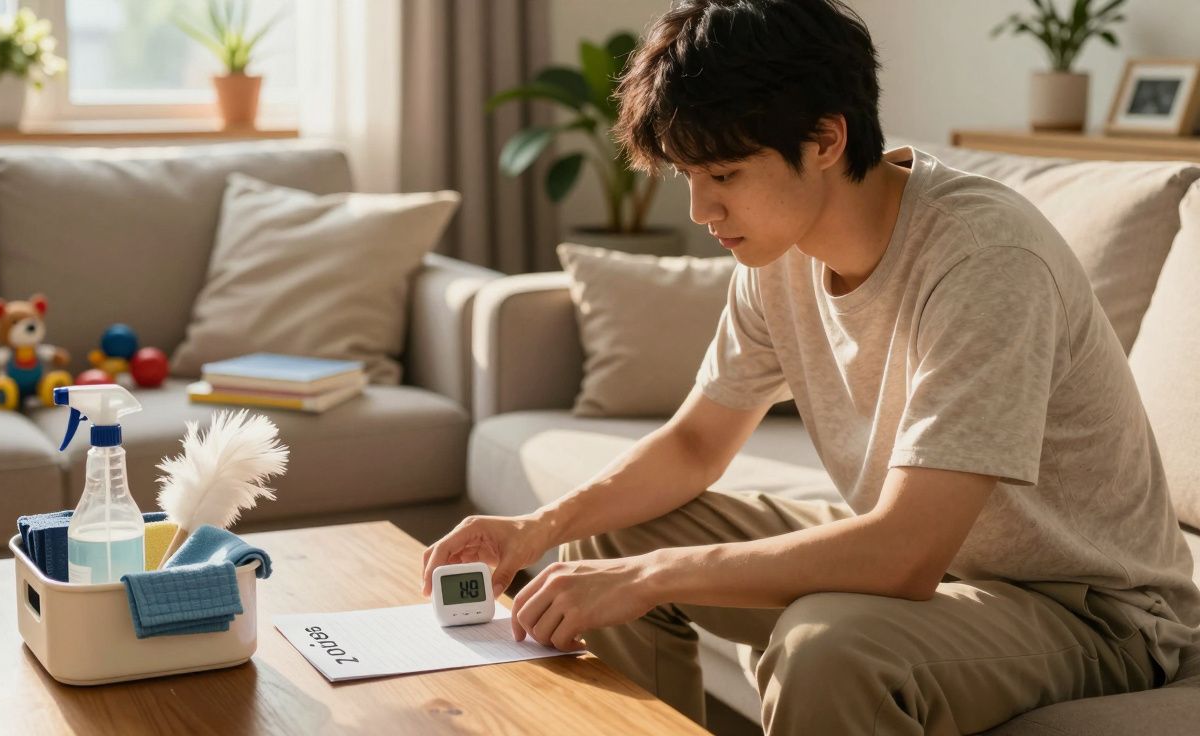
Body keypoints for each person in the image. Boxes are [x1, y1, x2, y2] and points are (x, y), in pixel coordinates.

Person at [420, 0, 1200, 732]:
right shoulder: (778, 252)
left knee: (825, 646)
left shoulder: (984, 258)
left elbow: (904, 553)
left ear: (826, 140)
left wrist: (654, 577)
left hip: (1090, 609)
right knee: (612, 536)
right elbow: (695, 445)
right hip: (942, 562)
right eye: (688, 177)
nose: (701, 212)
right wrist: (537, 527)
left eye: (723, 175)